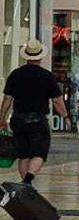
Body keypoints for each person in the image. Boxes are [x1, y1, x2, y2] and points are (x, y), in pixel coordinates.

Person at [0, 39, 68, 185]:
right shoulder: (47, 76)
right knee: (40, 153)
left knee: (23, 155)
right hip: (38, 121)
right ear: (40, 56)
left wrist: (2, 118)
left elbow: (7, 100)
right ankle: (28, 180)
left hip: (18, 119)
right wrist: (65, 116)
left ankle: (26, 185)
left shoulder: (15, 75)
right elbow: (57, 101)